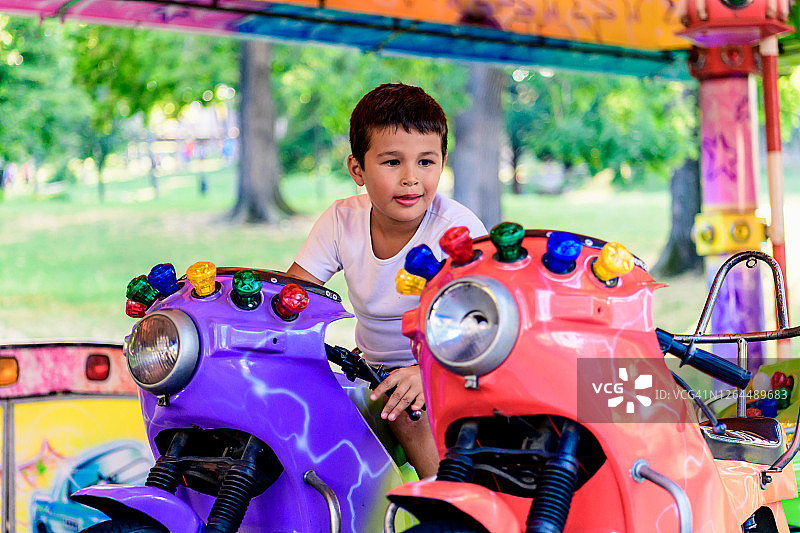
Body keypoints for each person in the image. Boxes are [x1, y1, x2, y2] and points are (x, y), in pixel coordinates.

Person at [287, 83, 487, 478]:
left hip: (451, 368)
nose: (412, 179)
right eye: (393, 162)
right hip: (370, 371)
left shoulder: (457, 232)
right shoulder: (341, 220)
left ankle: (452, 511)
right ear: (357, 169)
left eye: (426, 162)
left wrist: (426, 371)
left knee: (407, 415)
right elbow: (294, 296)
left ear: (443, 162)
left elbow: (484, 324)